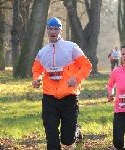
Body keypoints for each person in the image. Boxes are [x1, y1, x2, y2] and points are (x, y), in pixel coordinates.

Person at [32, 17, 92, 150]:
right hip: (49, 98)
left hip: (69, 97)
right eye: (50, 29)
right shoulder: (42, 52)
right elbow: (37, 70)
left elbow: (86, 66)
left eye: (56, 29)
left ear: (60, 31)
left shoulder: (71, 48)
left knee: (67, 139)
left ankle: (75, 131)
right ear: (47, 31)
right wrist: (36, 79)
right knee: (51, 132)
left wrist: (75, 78)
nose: (53, 32)